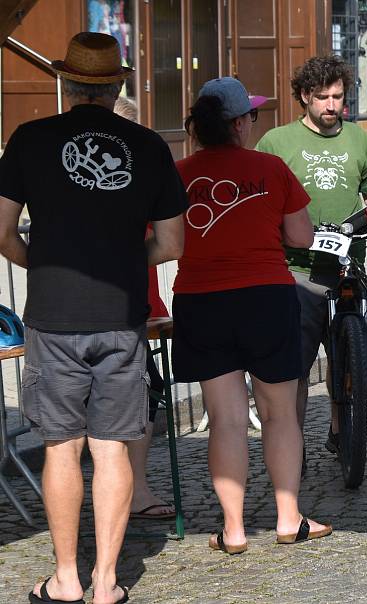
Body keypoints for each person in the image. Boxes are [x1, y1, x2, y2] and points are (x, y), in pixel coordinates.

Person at [0, 32, 187, 604]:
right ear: (117, 86)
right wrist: (132, 260)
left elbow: (1, 232)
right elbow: (174, 242)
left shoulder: (29, 139)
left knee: (61, 446)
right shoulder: (148, 145)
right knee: (110, 448)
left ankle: (66, 578)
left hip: (54, 314)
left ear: (68, 81)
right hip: (122, 313)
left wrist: (40, 261)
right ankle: (107, 582)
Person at [172, 76, 331, 552]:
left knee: (224, 419)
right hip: (266, 295)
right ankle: (288, 520)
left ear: (197, 128)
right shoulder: (271, 167)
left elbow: (163, 240)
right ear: (241, 123)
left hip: (201, 299)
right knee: (280, 414)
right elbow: (302, 239)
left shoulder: (178, 174)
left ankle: (234, 529)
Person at [255, 55, 367, 457]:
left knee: (347, 358)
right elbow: (261, 199)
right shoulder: (276, 142)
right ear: (304, 96)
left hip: (349, 267)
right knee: (295, 368)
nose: (331, 105)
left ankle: (341, 429)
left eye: (338, 96)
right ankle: (293, 448)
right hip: (297, 271)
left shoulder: (357, 138)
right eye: (322, 97)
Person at [113, 95, 176, 521]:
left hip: (140, 306)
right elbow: (168, 242)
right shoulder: (137, 167)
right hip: (127, 309)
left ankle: (131, 489)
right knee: (139, 399)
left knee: (144, 396)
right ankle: (132, 491)